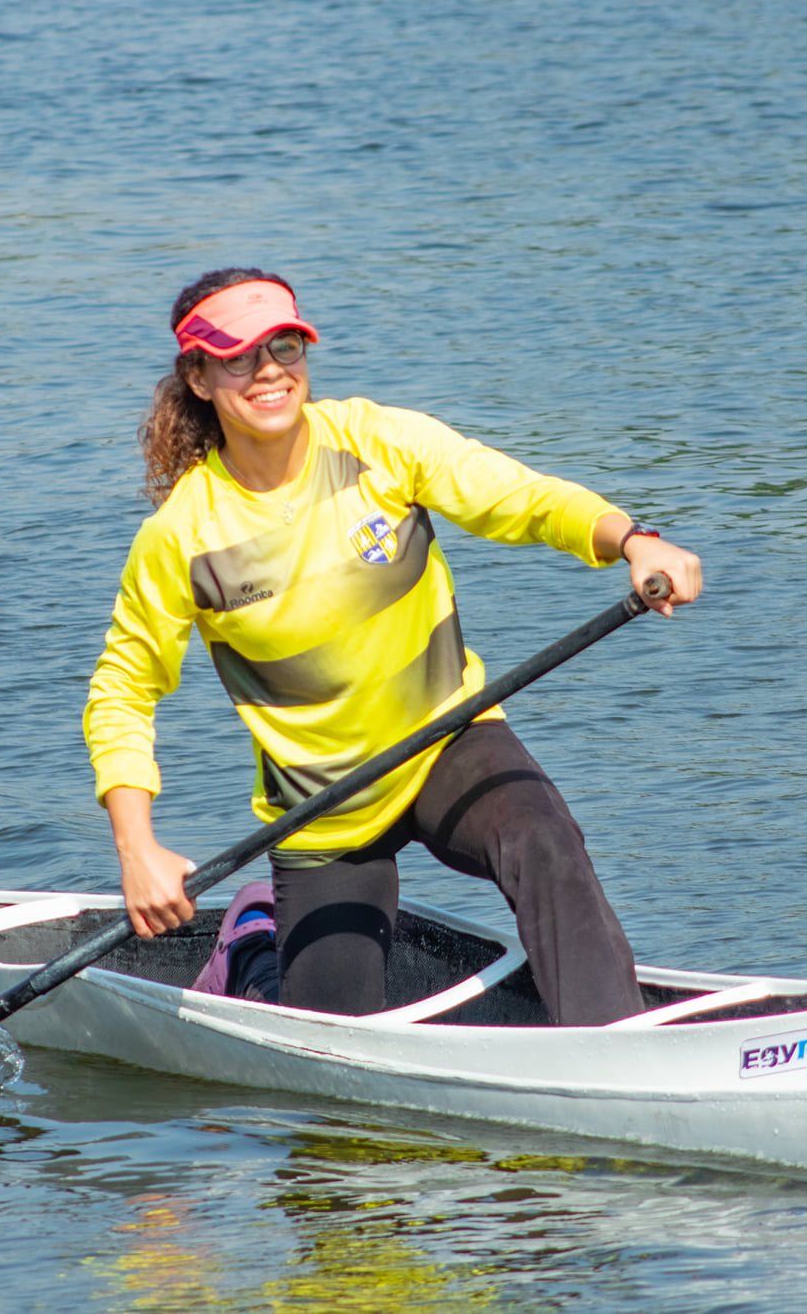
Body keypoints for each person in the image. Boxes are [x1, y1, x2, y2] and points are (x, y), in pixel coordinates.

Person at [84, 268, 702, 1024]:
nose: (270, 369)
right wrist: (137, 847)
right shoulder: (182, 534)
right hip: (323, 807)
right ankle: (250, 950)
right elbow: (123, 687)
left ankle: (611, 1042)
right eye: (241, 355)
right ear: (199, 376)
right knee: (326, 1038)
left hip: (447, 737)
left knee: (542, 835)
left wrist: (633, 540)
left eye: (286, 346)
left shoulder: (378, 441)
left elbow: (518, 496)